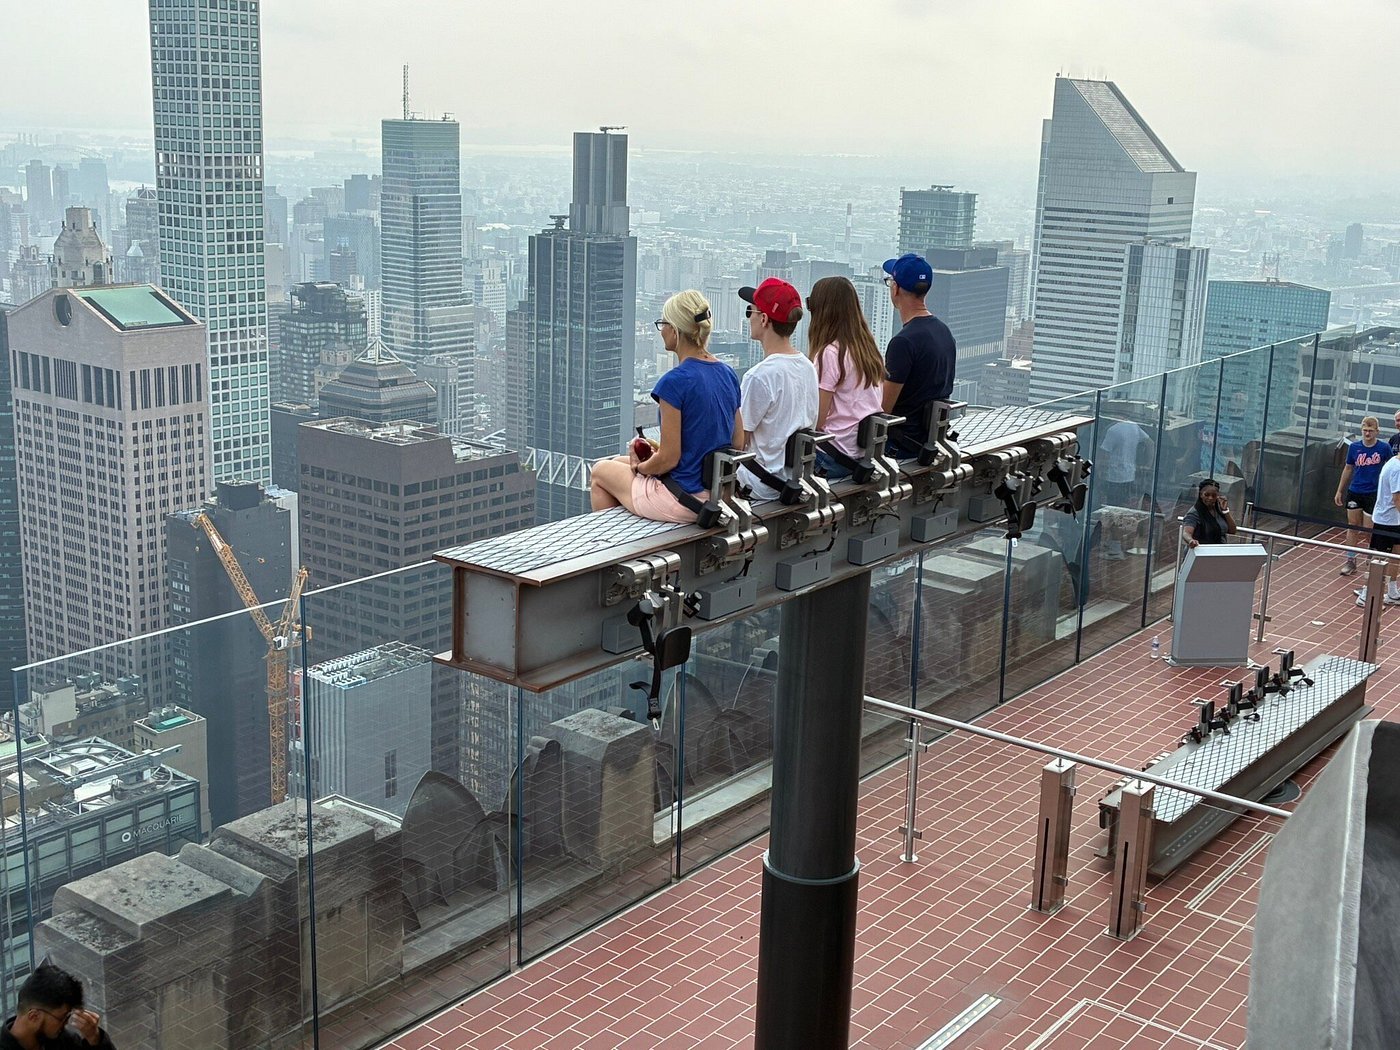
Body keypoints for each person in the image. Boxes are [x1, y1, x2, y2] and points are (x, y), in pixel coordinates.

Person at [589, 290, 741, 522]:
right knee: (618, 463)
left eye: (663, 324)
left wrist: (642, 469)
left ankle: (609, 548)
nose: (662, 332)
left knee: (600, 471)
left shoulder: (675, 382)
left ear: (676, 330)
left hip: (683, 499)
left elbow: (669, 459)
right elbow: (738, 443)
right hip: (719, 494)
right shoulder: (728, 373)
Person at [734, 278, 818, 500]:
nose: (748, 317)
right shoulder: (807, 366)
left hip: (758, 486)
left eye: (749, 311)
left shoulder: (760, 376)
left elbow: (739, 442)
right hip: (795, 481)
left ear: (763, 319)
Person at [805, 276, 884, 480]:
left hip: (831, 458)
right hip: (863, 455)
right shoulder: (867, 349)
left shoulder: (830, 353)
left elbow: (818, 420)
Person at [879, 253, 955, 452]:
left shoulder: (903, 342)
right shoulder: (944, 332)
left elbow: (883, 410)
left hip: (900, 446)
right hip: (932, 442)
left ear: (895, 289)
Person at [1, 962, 115, 1049]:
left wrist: (94, 1038)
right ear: (34, 1016)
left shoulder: (62, 1040)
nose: (66, 1023)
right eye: (62, 1018)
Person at [1334, 416, 1392, 577]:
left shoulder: (1384, 448)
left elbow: (1391, 469)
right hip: (1355, 491)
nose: (1367, 433)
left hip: (1374, 493)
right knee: (1353, 526)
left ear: (1377, 431)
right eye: (1365, 430)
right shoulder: (1354, 447)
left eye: (1370, 431)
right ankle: (1351, 560)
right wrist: (1340, 490)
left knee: (1369, 528)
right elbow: (1348, 468)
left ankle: (1371, 555)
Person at [1361, 447, 1400, 607]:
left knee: (1397, 555)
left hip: (1396, 521)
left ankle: (1391, 591)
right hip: (1386, 520)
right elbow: (1397, 498)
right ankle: (1365, 594)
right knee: (1379, 558)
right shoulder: (1397, 468)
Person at [1181, 478, 1237, 548]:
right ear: (1201, 494)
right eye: (1206, 495)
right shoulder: (1194, 513)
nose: (1210, 498)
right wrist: (1191, 541)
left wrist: (1225, 511)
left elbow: (1232, 530)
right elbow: (1186, 533)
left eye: (1214, 495)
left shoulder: (1219, 509)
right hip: (1201, 552)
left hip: (1217, 552)